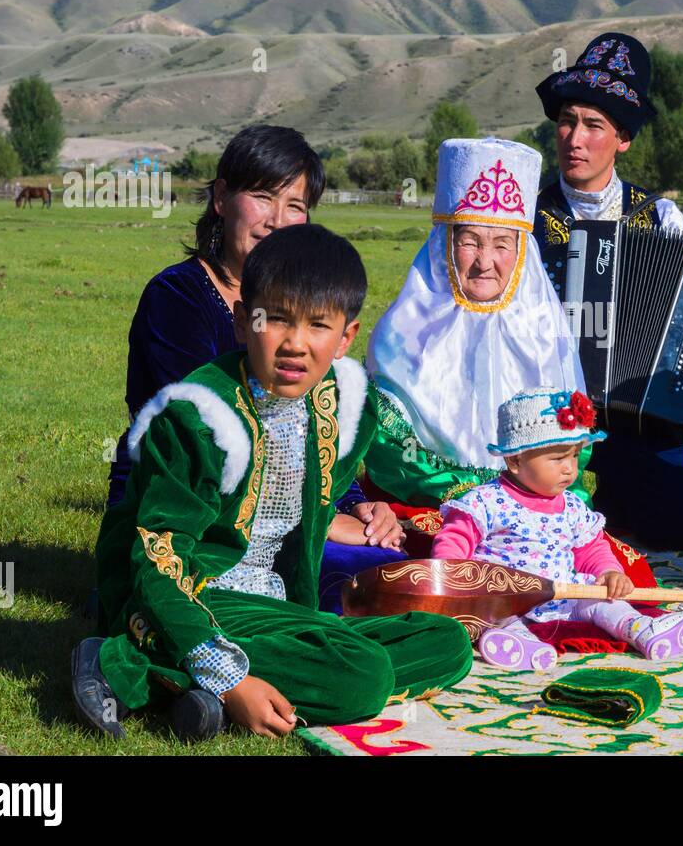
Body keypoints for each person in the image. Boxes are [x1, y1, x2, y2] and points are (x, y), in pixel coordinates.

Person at [72, 224, 472, 741]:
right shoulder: (200, 416)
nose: (295, 344)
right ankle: (130, 654)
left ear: (347, 336)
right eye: (275, 319)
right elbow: (157, 558)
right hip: (194, 593)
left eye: (318, 326)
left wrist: (351, 519)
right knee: (363, 676)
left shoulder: (346, 411)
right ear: (242, 322)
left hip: (275, 603)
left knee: (445, 640)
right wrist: (234, 682)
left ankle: (185, 685)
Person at [103, 125, 403, 605]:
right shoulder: (177, 297)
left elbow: (312, 424)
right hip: (188, 511)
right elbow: (200, 440)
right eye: (263, 197)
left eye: (296, 206)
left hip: (286, 503)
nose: (277, 221)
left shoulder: (305, 311)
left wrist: (353, 504)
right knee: (340, 590)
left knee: (387, 571)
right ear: (222, 198)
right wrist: (323, 517)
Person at [532, 32, 683, 552]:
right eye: (566, 121)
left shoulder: (660, 218)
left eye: (593, 126)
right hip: (541, 413)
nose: (574, 139)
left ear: (623, 138)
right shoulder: (522, 214)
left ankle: (614, 506)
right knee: (547, 539)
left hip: (638, 417)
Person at [433, 388, 683, 671]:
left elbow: (591, 547)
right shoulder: (486, 501)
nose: (570, 470)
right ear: (515, 460)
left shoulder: (572, 506)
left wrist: (608, 572)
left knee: (603, 600)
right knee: (496, 611)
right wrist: (454, 580)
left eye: (575, 456)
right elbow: (454, 540)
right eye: (558, 459)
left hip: (565, 594)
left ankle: (640, 628)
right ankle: (515, 643)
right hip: (508, 597)